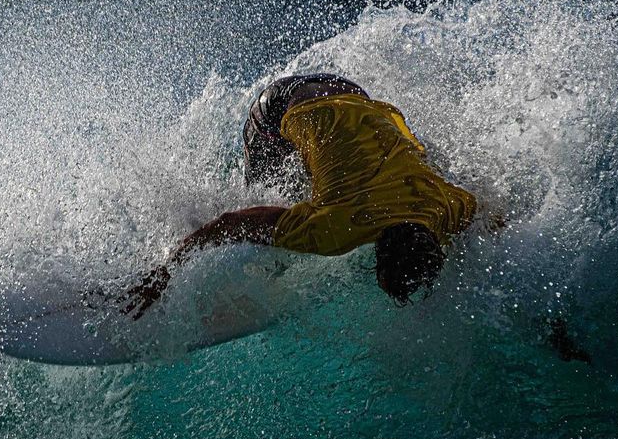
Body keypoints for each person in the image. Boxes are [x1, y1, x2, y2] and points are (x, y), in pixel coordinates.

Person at [122, 73, 478, 318]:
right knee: (262, 218)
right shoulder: (334, 229)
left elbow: (491, 216)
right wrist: (165, 273)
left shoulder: (445, 205)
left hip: (351, 91)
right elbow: (231, 224)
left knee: (311, 186)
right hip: (281, 104)